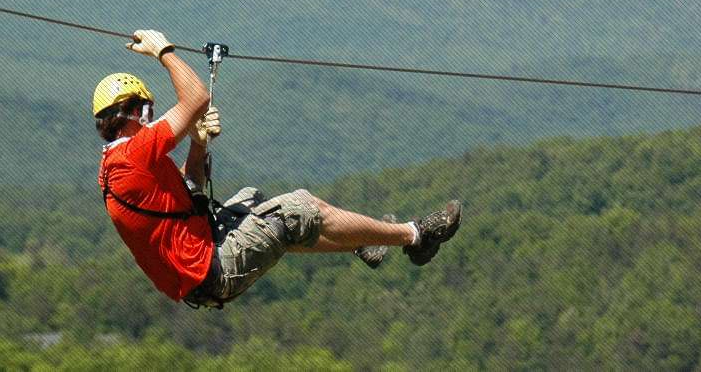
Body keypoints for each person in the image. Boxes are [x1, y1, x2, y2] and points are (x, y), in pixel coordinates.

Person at [94, 29, 462, 308]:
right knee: (301, 208)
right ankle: (416, 236)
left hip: (199, 265)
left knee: (255, 200)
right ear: (134, 112)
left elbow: (190, 190)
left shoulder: (118, 166)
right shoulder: (134, 155)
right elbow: (196, 97)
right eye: (148, 110)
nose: (152, 117)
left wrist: (198, 142)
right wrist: (164, 51)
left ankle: (363, 242)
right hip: (211, 267)